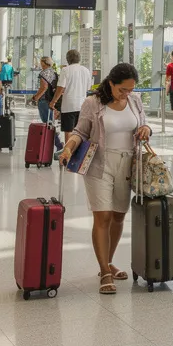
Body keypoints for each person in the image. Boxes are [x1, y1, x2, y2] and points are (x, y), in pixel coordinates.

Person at [59, 63, 151, 295]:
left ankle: (108, 262)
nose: (126, 94)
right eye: (122, 90)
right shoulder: (93, 103)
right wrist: (68, 147)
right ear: (111, 83)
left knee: (119, 216)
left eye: (130, 89)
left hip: (127, 164)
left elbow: (143, 123)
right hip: (99, 164)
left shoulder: (135, 101)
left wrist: (146, 129)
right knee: (103, 216)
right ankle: (105, 271)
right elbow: (80, 131)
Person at [52, 49, 93, 144]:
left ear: (68, 59)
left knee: (69, 130)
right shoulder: (86, 70)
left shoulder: (65, 70)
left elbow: (61, 87)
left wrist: (53, 101)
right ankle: (79, 151)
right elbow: (88, 88)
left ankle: (69, 151)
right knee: (81, 131)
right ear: (79, 59)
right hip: (82, 105)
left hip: (69, 106)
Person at [31, 56, 58, 124]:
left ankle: (48, 131)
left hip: (44, 99)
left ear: (43, 62)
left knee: (46, 122)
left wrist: (36, 97)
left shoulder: (43, 73)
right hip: (51, 99)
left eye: (41, 62)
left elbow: (44, 87)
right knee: (51, 122)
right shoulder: (54, 72)